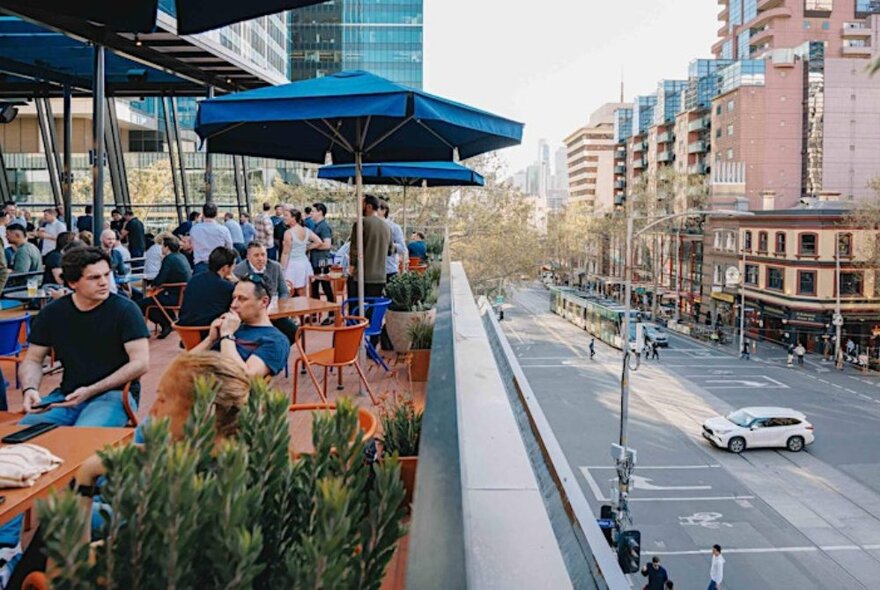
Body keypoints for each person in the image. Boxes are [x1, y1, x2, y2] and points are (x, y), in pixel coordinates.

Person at [19, 247, 149, 427]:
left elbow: (141, 363)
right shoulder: (53, 313)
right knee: (24, 433)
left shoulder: (125, 310)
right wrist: (30, 388)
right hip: (67, 395)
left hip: (114, 394)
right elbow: (33, 359)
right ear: (73, 283)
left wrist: (91, 390)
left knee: (85, 435)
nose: (104, 282)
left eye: (106, 275)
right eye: (94, 278)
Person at [192, 277, 290, 378]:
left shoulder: (276, 340)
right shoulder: (233, 327)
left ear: (264, 302)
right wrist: (210, 340)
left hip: (220, 390)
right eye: (233, 298)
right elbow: (183, 364)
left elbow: (244, 376)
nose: (233, 305)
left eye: (242, 299)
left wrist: (227, 336)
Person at [233, 242, 297, 343]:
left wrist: (279, 308)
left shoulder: (275, 267)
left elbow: (284, 292)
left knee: (293, 332)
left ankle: (277, 353)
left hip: (274, 313)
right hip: (251, 315)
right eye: (256, 255)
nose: (260, 258)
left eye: (263, 255)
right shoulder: (239, 271)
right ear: (248, 257)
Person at [138, 235, 192, 339]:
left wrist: (153, 285)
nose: (161, 248)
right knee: (154, 301)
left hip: (172, 296)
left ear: (167, 247)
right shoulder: (181, 256)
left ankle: (166, 323)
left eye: (162, 246)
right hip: (182, 294)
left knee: (142, 304)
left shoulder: (169, 259)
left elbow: (160, 279)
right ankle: (169, 320)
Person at [178, 246, 237, 327]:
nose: (235, 267)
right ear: (226, 267)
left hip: (185, 329)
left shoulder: (194, 279)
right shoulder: (227, 287)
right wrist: (237, 282)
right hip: (207, 330)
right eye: (234, 265)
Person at [348, 194, 392, 300]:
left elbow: (355, 248)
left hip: (361, 276)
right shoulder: (387, 227)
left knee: (357, 310)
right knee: (372, 309)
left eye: (361, 205)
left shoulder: (361, 224)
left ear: (369, 207)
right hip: (380, 276)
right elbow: (390, 251)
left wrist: (352, 267)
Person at [280, 207, 322, 297]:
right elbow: (319, 242)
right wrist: (306, 248)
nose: (284, 217)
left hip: (292, 264)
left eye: (286, 215)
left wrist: (282, 269)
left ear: (294, 218)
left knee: (288, 291)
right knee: (302, 292)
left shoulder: (288, 233)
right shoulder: (306, 230)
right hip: (304, 263)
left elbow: (285, 253)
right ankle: (304, 310)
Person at [189, 203, 233, 274]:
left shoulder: (194, 229)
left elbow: (192, 245)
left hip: (200, 266)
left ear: (203, 213)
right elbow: (229, 247)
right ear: (217, 214)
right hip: (219, 266)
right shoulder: (223, 230)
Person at [308, 203, 334, 308]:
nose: (311, 213)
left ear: (320, 212)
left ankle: (332, 312)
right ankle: (315, 312)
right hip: (315, 261)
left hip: (322, 261)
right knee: (314, 288)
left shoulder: (324, 227)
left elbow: (327, 245)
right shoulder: (316, 226)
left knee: (325, 287)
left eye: (313, 211)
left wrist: (311, 246)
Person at [378, 200, 407, 282]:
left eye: (376, 209)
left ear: (384, 211)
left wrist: (389, 244)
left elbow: (402, 248)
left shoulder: (394, 227)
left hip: (389, 269)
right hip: (371, 271)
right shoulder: (366, 226)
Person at [99, 229, 129, 294]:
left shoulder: (117, 253)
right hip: (101, 285)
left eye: (113, 239)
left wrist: (126, 286)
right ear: (101, 239)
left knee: (138, 295)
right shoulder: (96, 253)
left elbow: (122, 272)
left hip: (116, 284)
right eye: (109, 239)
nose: (111, 241)